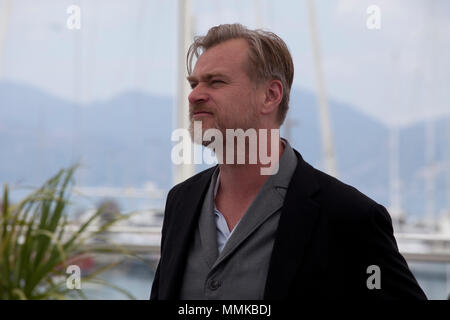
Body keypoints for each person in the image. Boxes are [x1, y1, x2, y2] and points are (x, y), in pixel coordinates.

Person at [150, 23, 426, 300]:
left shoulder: (350, 217)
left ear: (270, 96)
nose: (194, 95)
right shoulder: (181, 202)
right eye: (194, 83)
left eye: (216, 81)